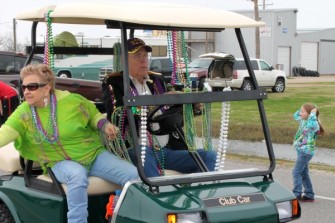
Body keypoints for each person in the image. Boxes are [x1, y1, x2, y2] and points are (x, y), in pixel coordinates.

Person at [0, 64, 139, 223]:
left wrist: (105, 126)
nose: (25, 91)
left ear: (47, 88)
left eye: (32, 87)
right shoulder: (23, 112)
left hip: (92, 155)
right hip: (59, 160)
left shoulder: (72, 101)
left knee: (133, 175)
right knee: (77, 176)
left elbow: (93, 116)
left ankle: (118, 216)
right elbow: (5, 133)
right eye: (23, 86)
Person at [102, 37, 216, 177]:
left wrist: (193, 107)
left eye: (145, 56)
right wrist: (155, 103)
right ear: (124, 60)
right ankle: (159, 196)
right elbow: (117, 116)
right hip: (136, 148)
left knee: (209, 156)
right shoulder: (115, 82)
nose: (143, 60)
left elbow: (170, 112)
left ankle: (202, 195)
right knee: (144, 155)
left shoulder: (156, 79)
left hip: (167, 149)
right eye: (138, 56)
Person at [292, 103, 325, 202]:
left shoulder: (314, 125)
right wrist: (302, 108)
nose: (300, 113)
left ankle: (296, 194)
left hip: (305, 152)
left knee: (296, 172)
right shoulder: (303, 120)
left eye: (303, 112)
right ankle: (309, 195)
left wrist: (313, 113)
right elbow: (295, 115)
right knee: (304, 173)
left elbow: (311, 124)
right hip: (301, 150)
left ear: (310, 115)